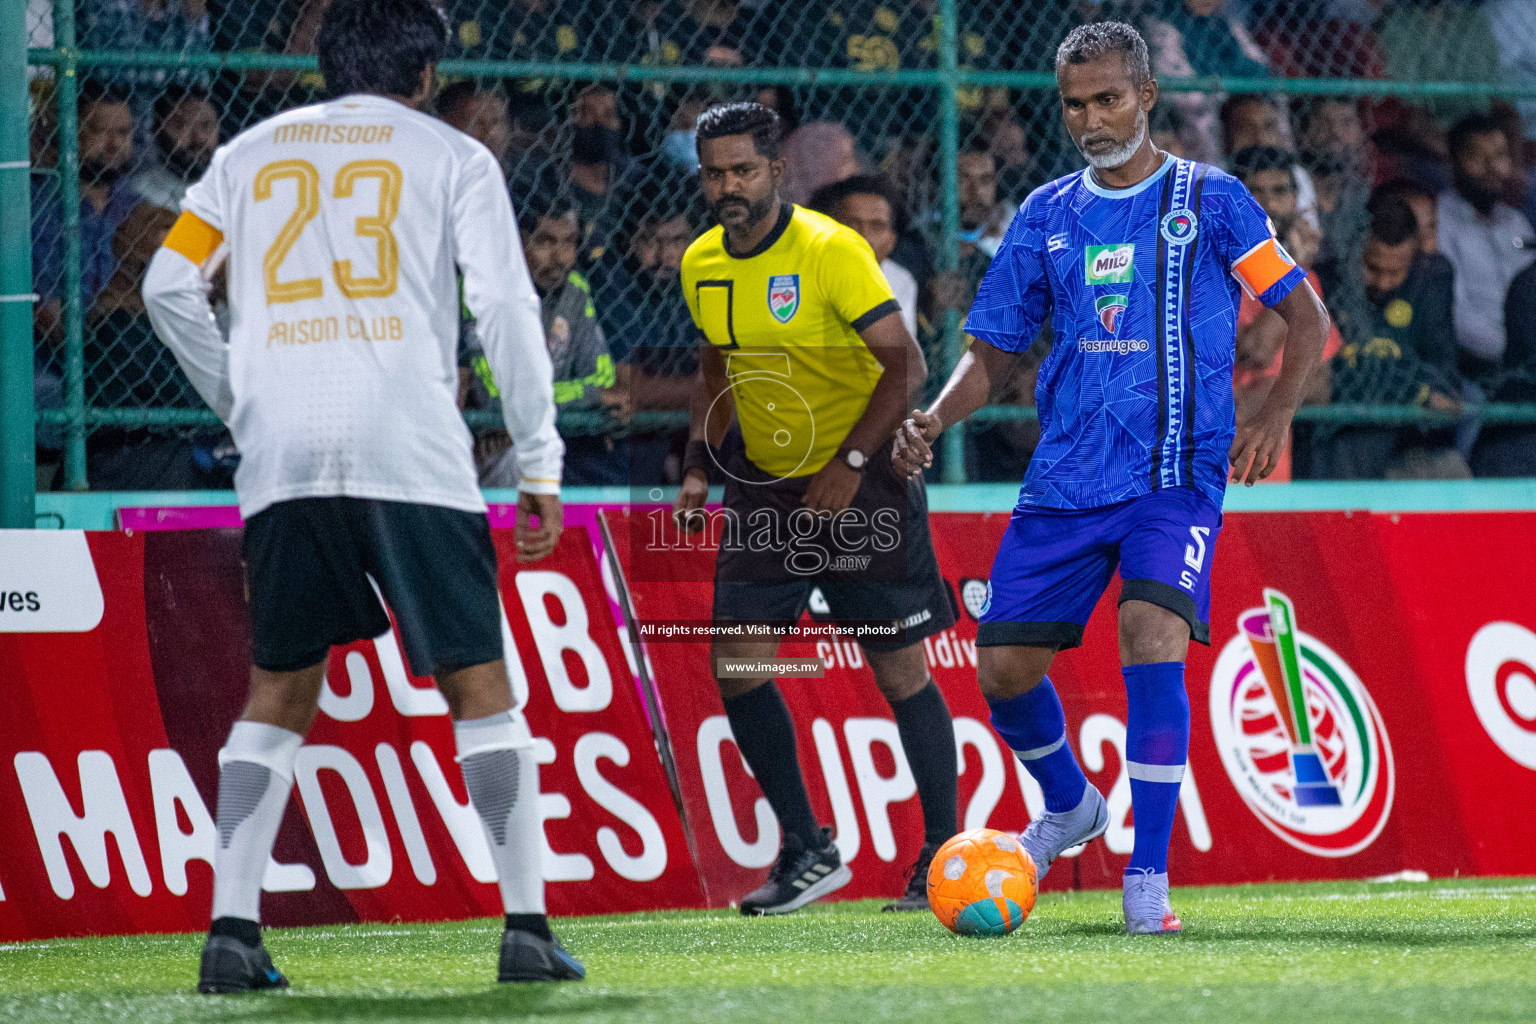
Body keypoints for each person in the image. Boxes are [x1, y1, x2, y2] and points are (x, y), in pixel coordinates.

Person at [141, 0, 580, 989]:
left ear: (326, 67)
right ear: (426, 77)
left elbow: (170, 286)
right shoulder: (455, 157)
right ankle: (526, 925)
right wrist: (538, 457)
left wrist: (241, 394)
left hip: (284, 448)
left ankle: (232, 931)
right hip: (409, 439)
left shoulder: (248, 153)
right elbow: (505, 304)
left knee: (280, 684)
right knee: (476, 677)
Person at [893, 22, 1328, 934]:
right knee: (1004, 669)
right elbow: (995, 352)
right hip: (1065, 479)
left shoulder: (1212, 199)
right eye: (1075, 103)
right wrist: (935, 416)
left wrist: (1273, 414)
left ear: (1146, 96)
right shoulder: (1046, 214)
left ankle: (1147, 878)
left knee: (1148, 632)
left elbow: (1305, 316)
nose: (1091, 118)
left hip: (1177, 475)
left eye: (1108, 99)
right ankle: (1073, 806)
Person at [672, 102, 960, 916]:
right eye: (714, 172)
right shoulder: (701, 261)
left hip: (860, 480)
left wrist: (853, 462)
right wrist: (698, 465)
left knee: (900, 670)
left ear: (777, 172)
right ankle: (808, 847)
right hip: (765, 483)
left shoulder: (832, 251)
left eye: (742, 170)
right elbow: (714, 366)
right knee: (738, 664)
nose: (728, 186)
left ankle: (941, 853)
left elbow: (903, 365)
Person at [1313, 196, 1464, 479]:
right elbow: (1332, 379)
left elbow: (1445, 384)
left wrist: (1376, 376)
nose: (1383, 283)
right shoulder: (1327, 281)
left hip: (1409, 438)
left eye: (1395, 272)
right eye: (1372, 268)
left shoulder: (1431, 281)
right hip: (1343, 435)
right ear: (1355, 250)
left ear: (1416, 257)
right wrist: (1413, 389)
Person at [1438, 113, 1536, 384]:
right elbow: (1456, 317)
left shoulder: (1517, 222)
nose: (1493, 168)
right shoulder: (1441, 222)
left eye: (1500, 156)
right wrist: (1509, 352)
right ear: (1455, 163)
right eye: (1478, 158)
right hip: (1477, 366)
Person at [808, 174, 920, 339]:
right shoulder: (802, 276)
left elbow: (897, 354)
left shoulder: (900, 281)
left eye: (877, 226)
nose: (864, 237)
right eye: (852, 225)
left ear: (891, 241)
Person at [131, 83, 221, 213]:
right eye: (185, 126)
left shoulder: (232, 183)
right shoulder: (142, 192)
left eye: (207, 126)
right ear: (157, 132)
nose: (198, 137)